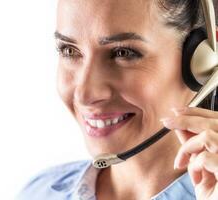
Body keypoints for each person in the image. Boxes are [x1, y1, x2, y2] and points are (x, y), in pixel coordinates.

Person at [18, 0, 218, 199]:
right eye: (69, 50)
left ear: (207, 59)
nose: (85, 95)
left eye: (123, 53)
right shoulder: (39, 191)